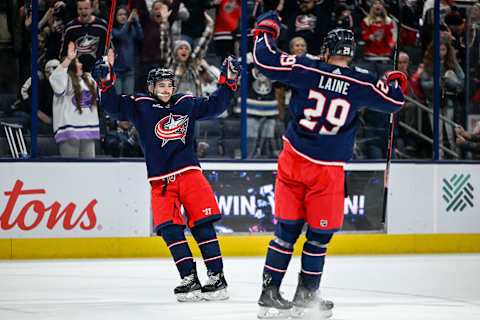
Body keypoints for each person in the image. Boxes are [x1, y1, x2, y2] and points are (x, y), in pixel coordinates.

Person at [253, 11, 406, 319]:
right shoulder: (362, 81)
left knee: (285, 231)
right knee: (319, 237)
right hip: (327, 169)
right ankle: (306, 296)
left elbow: (264, 59)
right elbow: (394, 102)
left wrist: (266, 27)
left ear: (326, 51)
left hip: (293, 159)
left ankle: (269, 294)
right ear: (351, 54)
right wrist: (395, 80)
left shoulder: (306, 67)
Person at [92, 50, 241, 301]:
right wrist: (106, 84)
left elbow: (215, 106)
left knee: (202, 226)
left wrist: (228, 83)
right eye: (160, 85)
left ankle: (216, 278)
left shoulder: (186, 102)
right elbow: (114, 108)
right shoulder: (139, 105)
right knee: (170, 230)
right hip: (160, 182)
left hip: (189, 175)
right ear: (151, 87)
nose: (165, 89)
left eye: (169, 85)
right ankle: (189, 278)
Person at [49, 42, 100, 158]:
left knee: (89, 169)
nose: (81, 64)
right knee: (70, 169)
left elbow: (104, 84)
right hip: (69, 130)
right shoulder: (65, 79)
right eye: (77, 62)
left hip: (88, 129)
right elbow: (54, 78)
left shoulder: (88, 79)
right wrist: (68, 59)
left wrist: (108, 65)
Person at [59, 0, 108, 73]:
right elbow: (63, 52)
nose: (83, 11)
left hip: (97, 72)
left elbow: (109, 49)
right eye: (80, 9)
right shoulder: (70, 28)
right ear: (77, 10)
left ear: (91, 9)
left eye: (86, 8)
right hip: (76, 72)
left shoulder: (102, 26)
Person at [112, 6, 143, 95]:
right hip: (117, 71)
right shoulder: (113, 31)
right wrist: (129, 21)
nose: (123, 17)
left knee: (128, 99)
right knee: (118, 98)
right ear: (115, 17)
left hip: (129, 70)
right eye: (120, 15)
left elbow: (140, 36)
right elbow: (120, 36)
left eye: (125, 14)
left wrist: (136, 21)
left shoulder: (131, 30)